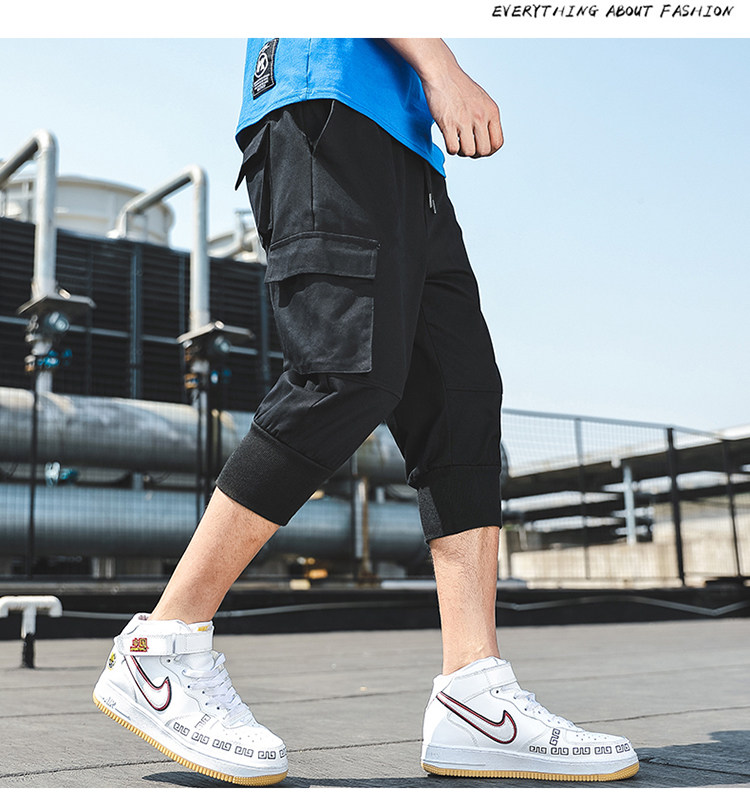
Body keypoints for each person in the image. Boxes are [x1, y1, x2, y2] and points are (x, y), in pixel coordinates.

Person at [92, 38, 639, 785]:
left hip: (407, 145)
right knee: (343, 372)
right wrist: (442, 67)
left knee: (461, 396)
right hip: (326, 102)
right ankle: (160, 646)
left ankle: (473, 694)